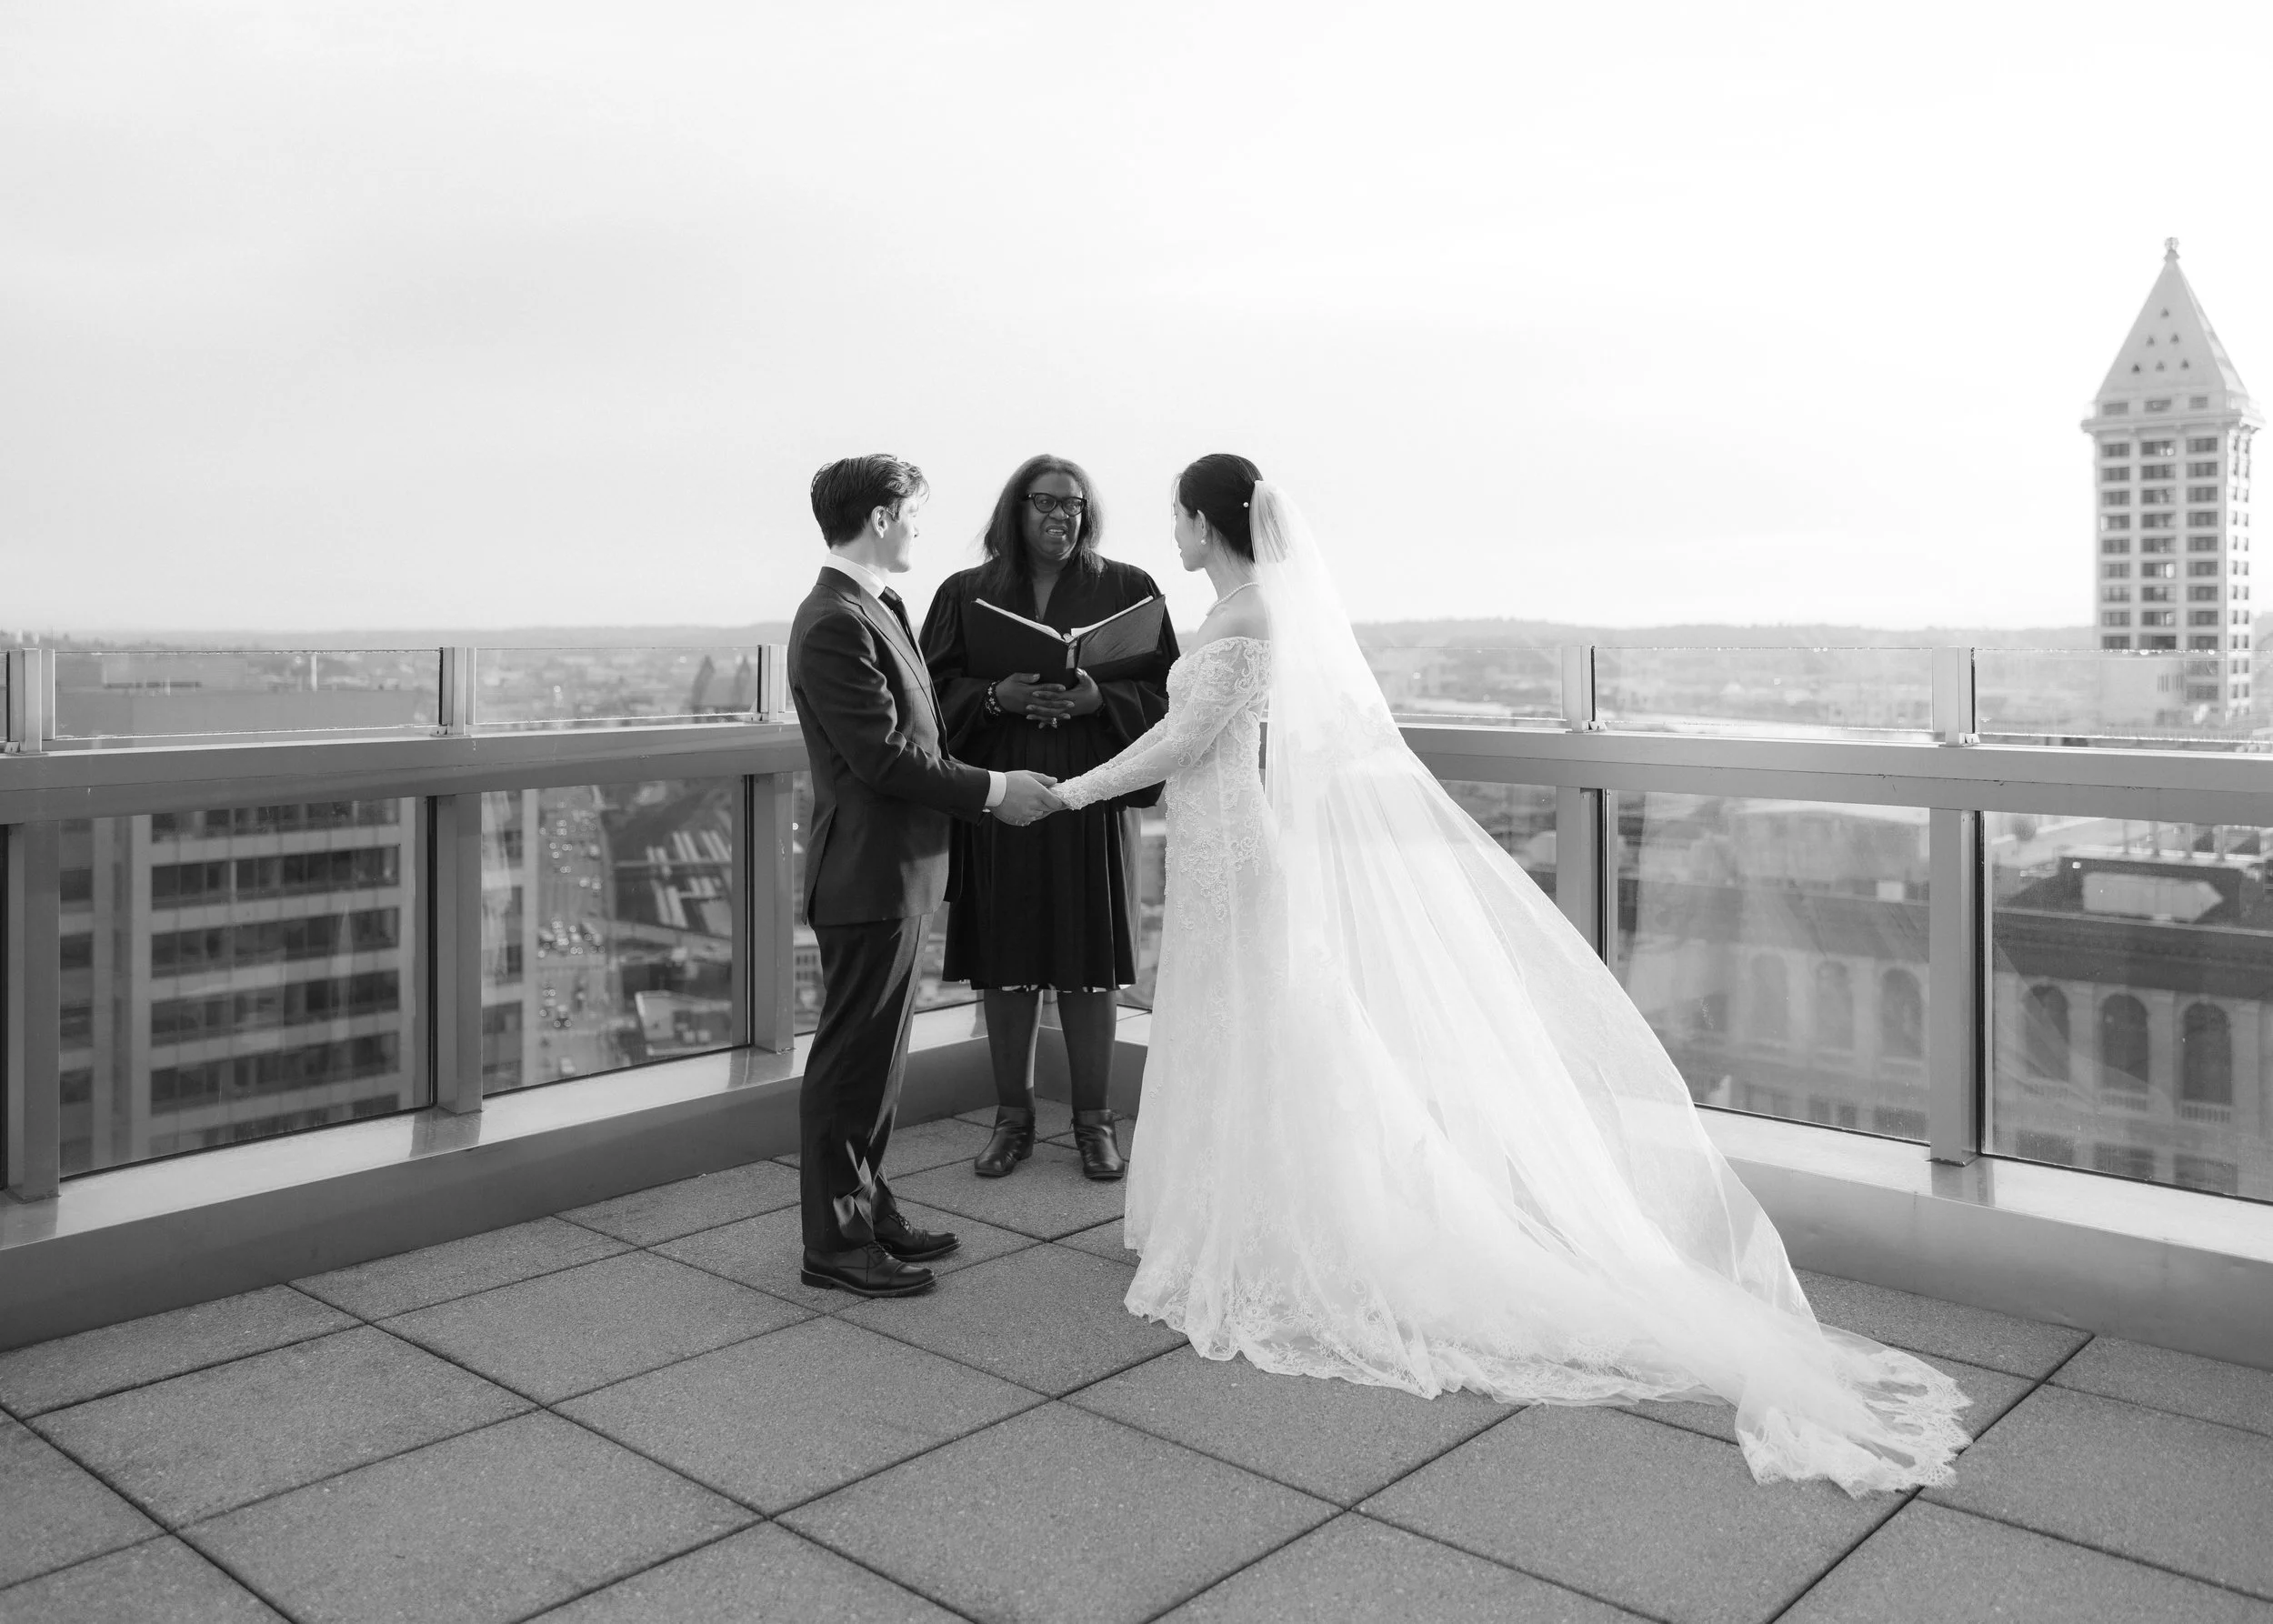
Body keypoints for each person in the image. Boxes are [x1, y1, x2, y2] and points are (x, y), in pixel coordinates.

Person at [1036, 454, 1971, 1495]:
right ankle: (1223, 1220)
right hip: (1217, 852)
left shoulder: (1247, 620)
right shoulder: (1245, 613)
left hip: (1229, 856)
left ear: (1207, 523)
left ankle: (1255, 1236)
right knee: (1238, 1033)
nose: (1170, 530)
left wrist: (1065, 793)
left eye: (1176, 514)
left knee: (1249, 1030)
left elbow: (1183, 740)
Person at [786, 455, 1058, 1299]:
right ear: (879, 516)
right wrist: (995, 790)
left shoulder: (877, 606)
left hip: (899, 871)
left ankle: (868, 1207)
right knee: (850, 1064)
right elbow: (885, 757)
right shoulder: (835, 619)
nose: (916, 529)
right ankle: (833, 1244)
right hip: (868, 874)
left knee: (880, 1059)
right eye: (911, 513)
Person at [920, 456, 1177, 1182]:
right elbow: (928, 696)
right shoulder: (966, 594)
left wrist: (1101, 702)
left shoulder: (1129, 590)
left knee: (1090, 966)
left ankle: (1095, 1126)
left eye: (1074, 506)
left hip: (1089, 797)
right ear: (1015, 510)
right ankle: (1013, 1121)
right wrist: (996, 697)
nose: (1061, 517)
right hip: (1001, 799)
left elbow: (1171, 701)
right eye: (1046, 503)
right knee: (1004, 963)